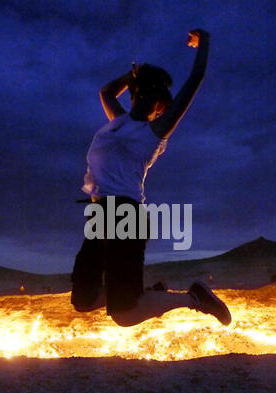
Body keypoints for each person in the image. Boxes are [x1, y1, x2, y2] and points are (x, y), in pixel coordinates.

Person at [71, 29, 231, 327]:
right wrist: (132, 76)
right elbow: (105, 92)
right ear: (148, 95)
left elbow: (195, 80)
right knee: (83, 299)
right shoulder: (118, 121)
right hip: (100, 214)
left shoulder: (154, 132)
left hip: (124, 214)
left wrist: (204, 42)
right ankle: (145, 293)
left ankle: (193, 297)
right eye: (160, 103)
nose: (161, 111)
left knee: (124, 314)